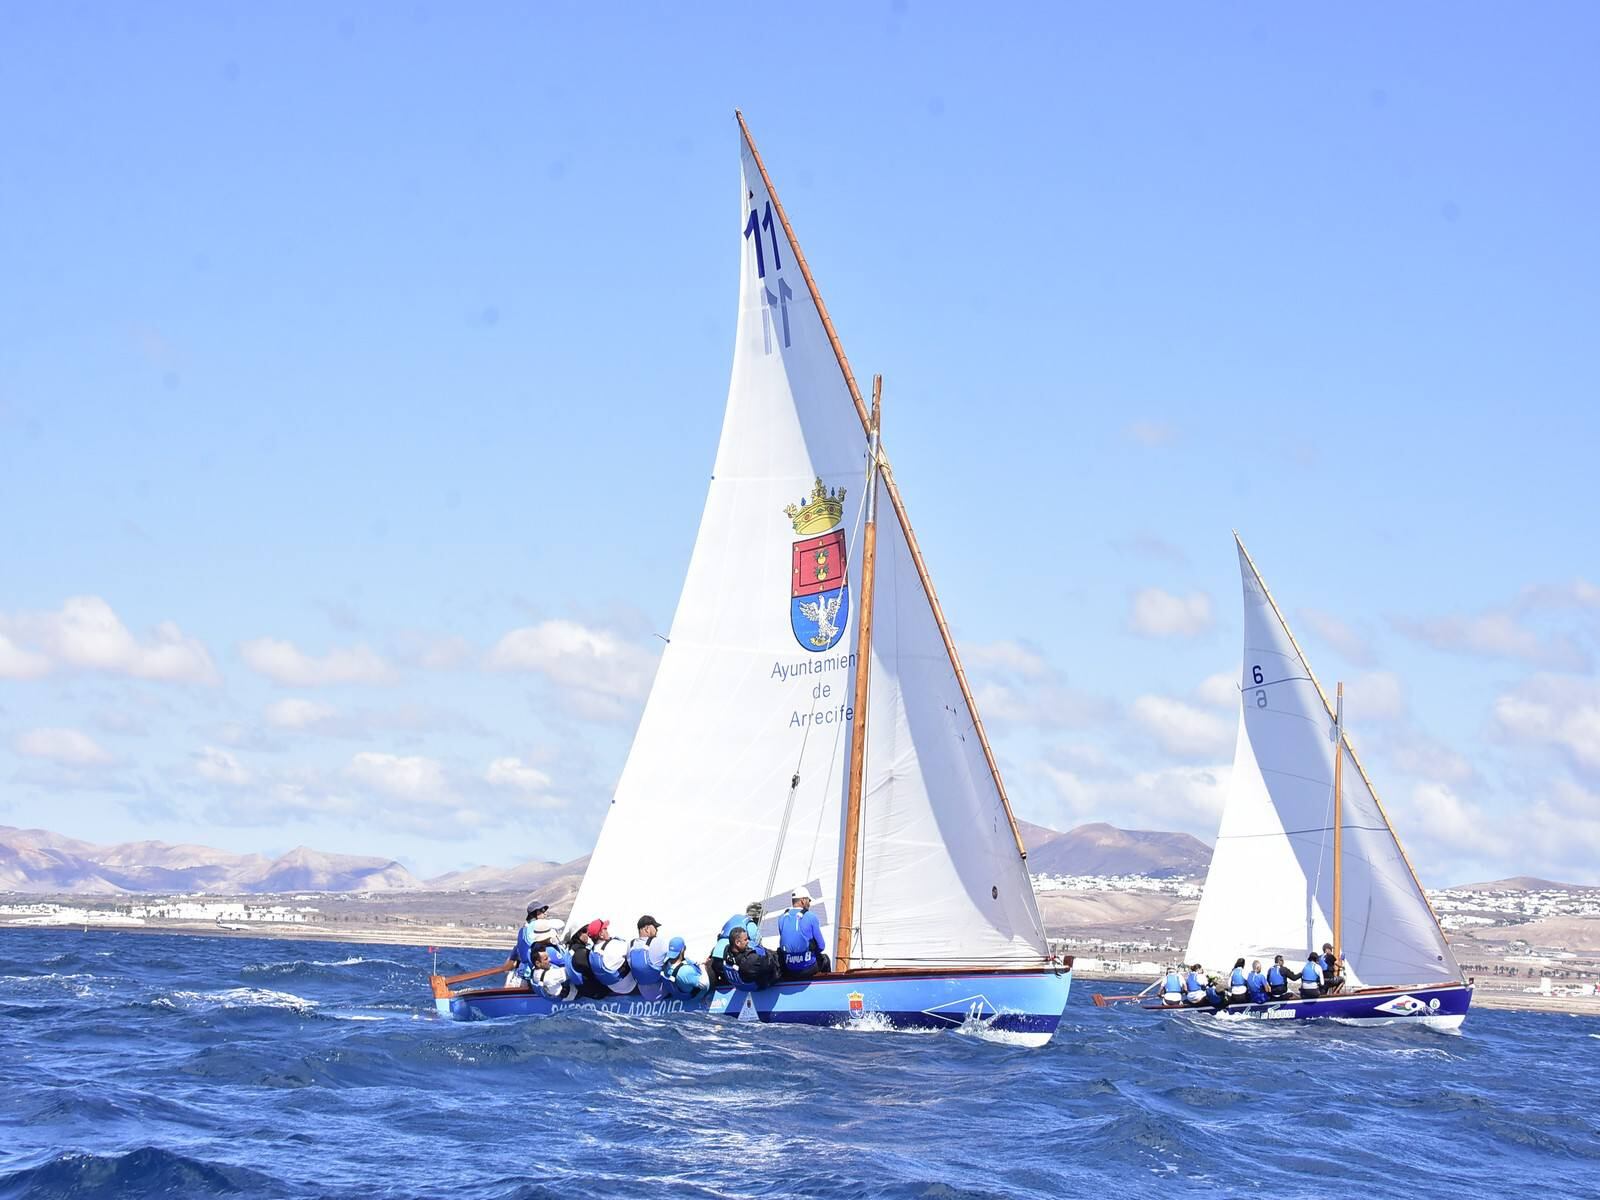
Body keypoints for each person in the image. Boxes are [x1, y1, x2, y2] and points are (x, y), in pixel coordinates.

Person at [777, 887, 830, 979]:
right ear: (803, 901)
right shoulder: (811, 917)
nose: (809, 903)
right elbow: (821, 946)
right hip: (807, 968)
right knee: (825, 959)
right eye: (809, 900)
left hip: (789, 968)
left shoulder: (781, 918)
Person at [710, 902, 763, 986]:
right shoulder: (750, 924)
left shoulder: (735, 918)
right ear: (757, 917)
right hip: (728, 958)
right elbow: (757, 946)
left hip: (716, 956)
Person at [564, 924, 613, 999]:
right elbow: (599, 971)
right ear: (577, 935)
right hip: (595, 992)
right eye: (585, 931)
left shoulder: (571, 949)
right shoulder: (581, 954)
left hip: (582, 989)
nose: (588, 933)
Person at [722, 926, 780, 991]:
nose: (748, 942)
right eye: (745, 939)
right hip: (758, 985)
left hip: (740, 985)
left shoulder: (727, 950)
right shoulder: (750, 961)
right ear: (737, 943)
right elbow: (771, 964)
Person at [627, 915, 669, 1000]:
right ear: (647, 928)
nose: (657, 930)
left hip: (644, 992)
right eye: (655, 927)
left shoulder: (630, 945)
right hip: (662, 992)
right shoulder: (658, 942)